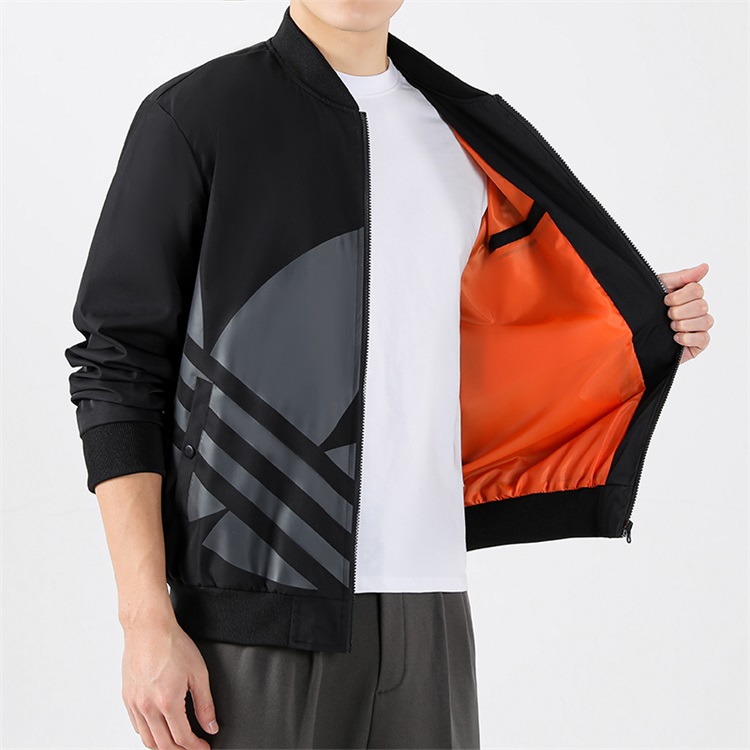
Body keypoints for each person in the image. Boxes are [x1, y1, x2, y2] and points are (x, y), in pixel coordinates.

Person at [63, 2, 713, 748]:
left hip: (429, 600)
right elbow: (117, 367)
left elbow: (467, 333)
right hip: (252, 612)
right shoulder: (197, 116)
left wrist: (634, 325)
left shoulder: (464, 131)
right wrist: (144, 618)